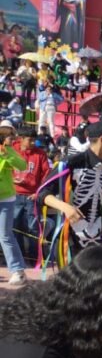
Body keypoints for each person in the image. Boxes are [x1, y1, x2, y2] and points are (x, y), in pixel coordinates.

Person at [39, 120, 102, 262]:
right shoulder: (70, 163)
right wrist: (66, 208)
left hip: (98, 236)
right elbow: (42, 193)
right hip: (71, 237)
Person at [11, 127, 50, 263]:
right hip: (13, 195)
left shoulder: (41, 154)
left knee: (33, 228)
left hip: (32, 197)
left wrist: (38, 193)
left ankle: (34, 258)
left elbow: (47, 175)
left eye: (34, 140)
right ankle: (18, 257)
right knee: (14, 227)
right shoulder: (10, 151)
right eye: (30, 140)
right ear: (21, 139)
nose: (33, 143)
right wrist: (11, 180)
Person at [0, 121, 28, 284]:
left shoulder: (9, 151)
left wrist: (6, 155)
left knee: (5, 235)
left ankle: (18, 271)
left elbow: (23, 165)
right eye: (9, 137)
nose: (13, 139)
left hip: (5, 199)